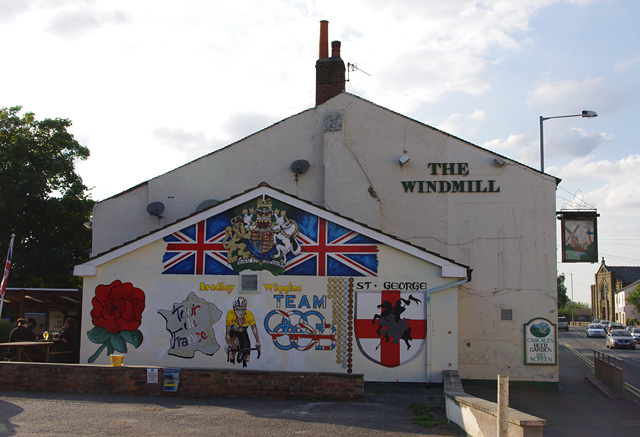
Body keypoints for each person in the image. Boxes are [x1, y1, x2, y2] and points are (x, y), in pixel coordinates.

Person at [225, 297, 261, 365]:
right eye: (238, 309)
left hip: (243, 333)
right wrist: (228, 344)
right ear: (234, 309)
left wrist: (258, 342)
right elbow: (227, 332)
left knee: (247, 356)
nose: (241, 312)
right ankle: (232, 361)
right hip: (233, 332)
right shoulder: (230, 314)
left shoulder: (249, 314)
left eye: (243, 309)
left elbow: (254, 330)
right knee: (234, 344)